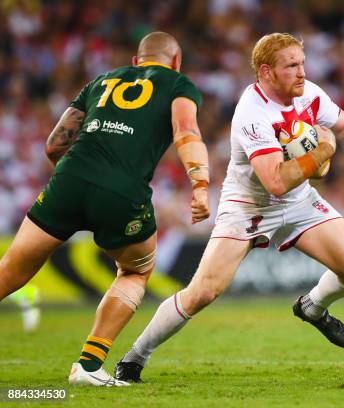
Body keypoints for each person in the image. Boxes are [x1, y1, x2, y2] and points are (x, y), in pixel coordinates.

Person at [114, 32, 344, 382]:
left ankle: (312, 307)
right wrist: (323, 152)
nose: (301, 72)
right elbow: (276, 182)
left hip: (299, 202)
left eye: (302, 63)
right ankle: (134, 358)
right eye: (291, 65)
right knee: (202, 292)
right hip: (249, 205)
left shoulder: (308, 93)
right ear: (266, 72)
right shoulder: (252, 113)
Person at [0, 31, 210, 386]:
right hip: (122, 192)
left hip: (70, 177)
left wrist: (79, 181)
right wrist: (200, 184)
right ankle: (88, 365)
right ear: (176, 63)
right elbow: (186, 131)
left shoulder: (102, 80)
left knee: (13, 268)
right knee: (134, 272)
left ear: (135, 62)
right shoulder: (179, 84)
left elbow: (54, 146)